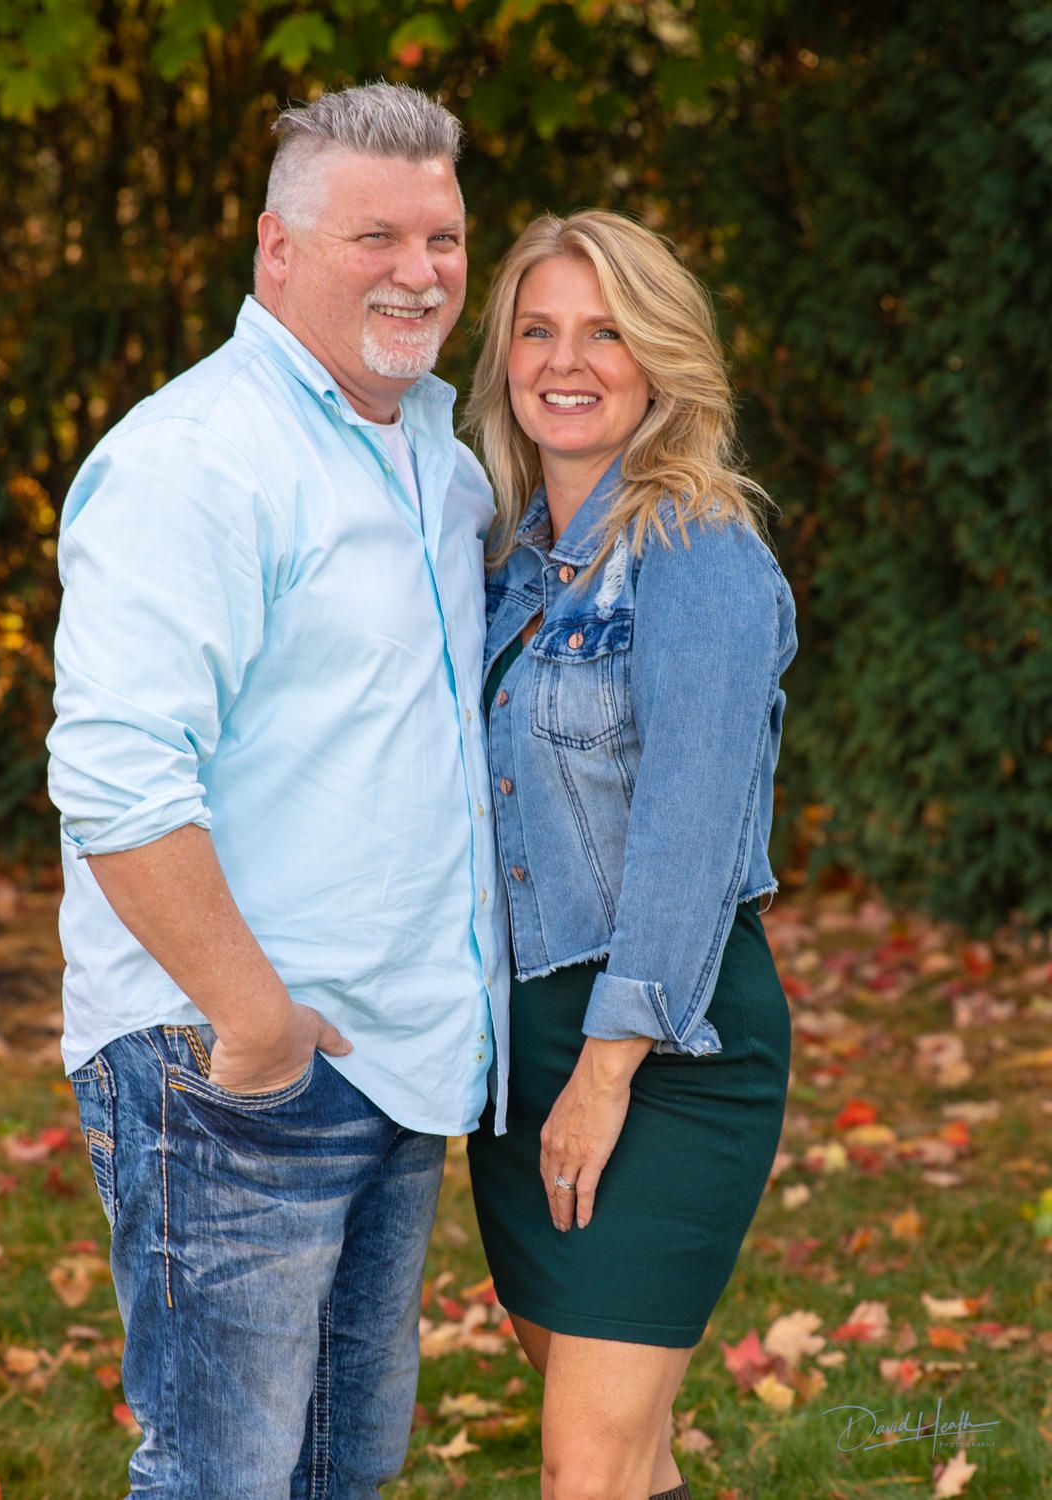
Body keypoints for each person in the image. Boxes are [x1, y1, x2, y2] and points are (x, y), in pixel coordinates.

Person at [45, 83, 509, 1499]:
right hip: (236, 1063)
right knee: (221, 1479)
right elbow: (118, 776)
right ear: (277, 251)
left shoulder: (437, 449)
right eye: (377, 236)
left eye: (442, 237)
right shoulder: (196, 458)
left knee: (336, 1477)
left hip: (387, 1056)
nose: (420, 273)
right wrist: (254, 1023)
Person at [464, 210, 798, 1500]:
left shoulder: (695, 550)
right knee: (622, 1442)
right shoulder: (504, 559)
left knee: (585, 1465)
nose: (569, 359)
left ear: (660, 357)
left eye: (606, 331)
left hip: (664, 1046)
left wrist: (607, 1071)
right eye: (538, 329)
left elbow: (690, 837)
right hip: (522, 1043)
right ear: (503, 360)